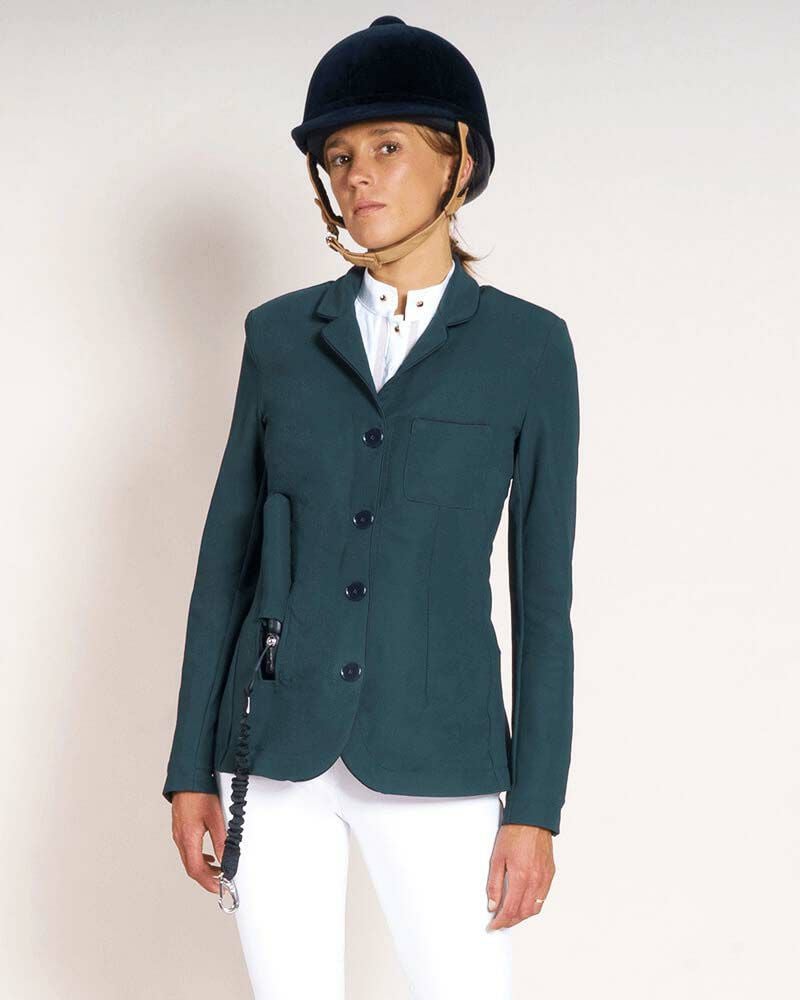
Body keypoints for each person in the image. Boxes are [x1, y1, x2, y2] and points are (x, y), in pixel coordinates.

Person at [163, 15, 580, 999]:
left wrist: (536, 806)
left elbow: (543, 598)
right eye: (340, 157)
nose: (358, 177)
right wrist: (189, 767)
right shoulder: (277, 338)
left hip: (441, 750)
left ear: (457, 161)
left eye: (387, 148)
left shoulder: (528, 349)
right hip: (271, 747)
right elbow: (225, 559)